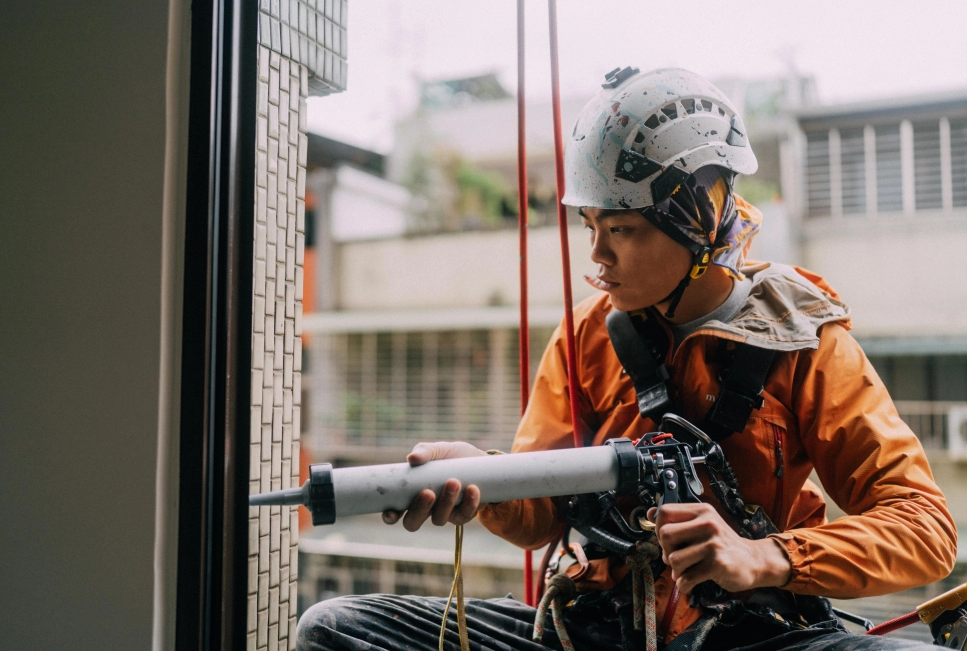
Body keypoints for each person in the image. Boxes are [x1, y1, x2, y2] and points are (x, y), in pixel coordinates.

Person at [297, 67, 957, 651]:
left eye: (623, 229)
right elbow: (542, 514)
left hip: (751, 631)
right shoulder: (588, 334)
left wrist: (766, 556)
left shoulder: (801, 338)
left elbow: (925, 530)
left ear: (700, 215)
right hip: (592, 623)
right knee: (334, 628)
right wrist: (482, 479)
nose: (599, 256)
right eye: (593, 228)